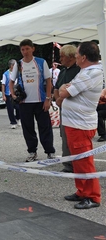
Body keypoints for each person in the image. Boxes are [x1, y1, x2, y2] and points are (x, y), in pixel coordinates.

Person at [57, 41, 103, 209]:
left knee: (84, 161)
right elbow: (64, 91)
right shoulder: (86, 71)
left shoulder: (90, 73)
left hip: (80, 124)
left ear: (83, 57)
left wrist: (64, 89)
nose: (75, 56)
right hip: (75, 123)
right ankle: (82, 191)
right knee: (77, 160)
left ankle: (93, 196)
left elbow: (64, 91)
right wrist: (65, 90)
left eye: (77, 54)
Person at [9, 39, 55, 162]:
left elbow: (49, 81)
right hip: (25, 102)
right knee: (28, 129)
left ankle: (50, 151)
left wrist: (48, 98)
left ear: (32, 48)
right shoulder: (18, 64)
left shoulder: (41, 62)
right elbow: (11, 81)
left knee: (45, 127)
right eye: (22, 49)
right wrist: (13, 95)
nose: (25, 52)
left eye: (27, 49)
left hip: (40, 100)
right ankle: (32, 151)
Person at [53, 45, 81, 173]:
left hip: (75, 110)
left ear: (70, 57)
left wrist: (60, 99)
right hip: (64, 109)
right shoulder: (62, 71)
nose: (60, 59)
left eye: (62, 56)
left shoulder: (80, 71)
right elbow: (57, 88)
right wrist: (58, 99)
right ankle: (68, 164)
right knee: (64, 135)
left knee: (75, 136)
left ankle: (77, 163)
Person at [1, 59, 20, 129]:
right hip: (8, 94)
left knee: (18, 107)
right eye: (15, 65)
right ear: (11, 66)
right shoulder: (5, 74)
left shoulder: (18, 73)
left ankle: (18, 118)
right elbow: (3, 84)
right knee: (10, 109)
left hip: (16, 93)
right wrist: (3, 95)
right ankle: (13, 122)